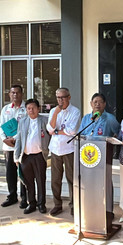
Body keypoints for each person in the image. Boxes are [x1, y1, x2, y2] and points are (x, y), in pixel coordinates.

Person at [47, 88, 81, 217]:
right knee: (55, 179)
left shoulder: (75, 111)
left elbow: (72, 131)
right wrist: (56, 113)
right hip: (55, 149)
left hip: (69, 149)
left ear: (69, 97)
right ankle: (57, 204)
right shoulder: (53, 111)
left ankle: (74, 205)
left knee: (71, 178)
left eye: (63, 97)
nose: (60, 100)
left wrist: (56, 131)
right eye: (58, 98)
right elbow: (49, 129)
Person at [14, 99, 51, 214]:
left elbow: (51, 135)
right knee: (28, 182)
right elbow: (19, 139)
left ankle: (41, 204)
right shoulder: (23, 121)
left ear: (38, 108)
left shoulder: (44, 120)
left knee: (41, 181)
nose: (31, 111)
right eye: (28, 108)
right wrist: (16, 156)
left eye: (33, 108)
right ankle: (32, 203)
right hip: (26, 157)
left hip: (39, 156)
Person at [0, 84, 27, 208]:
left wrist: (15, 138)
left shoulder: (26, 108)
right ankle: (12, 196)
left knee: (23, 173)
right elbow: (1, 126)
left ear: (22, 93)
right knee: (10, 173)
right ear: (9, 94)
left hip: (22, 146)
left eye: (17, 92)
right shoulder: (6, 109)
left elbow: (26, 127)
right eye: (12, 93)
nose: (15, 95)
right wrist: (4, 139)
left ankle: (25, 198)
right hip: (9, 146)